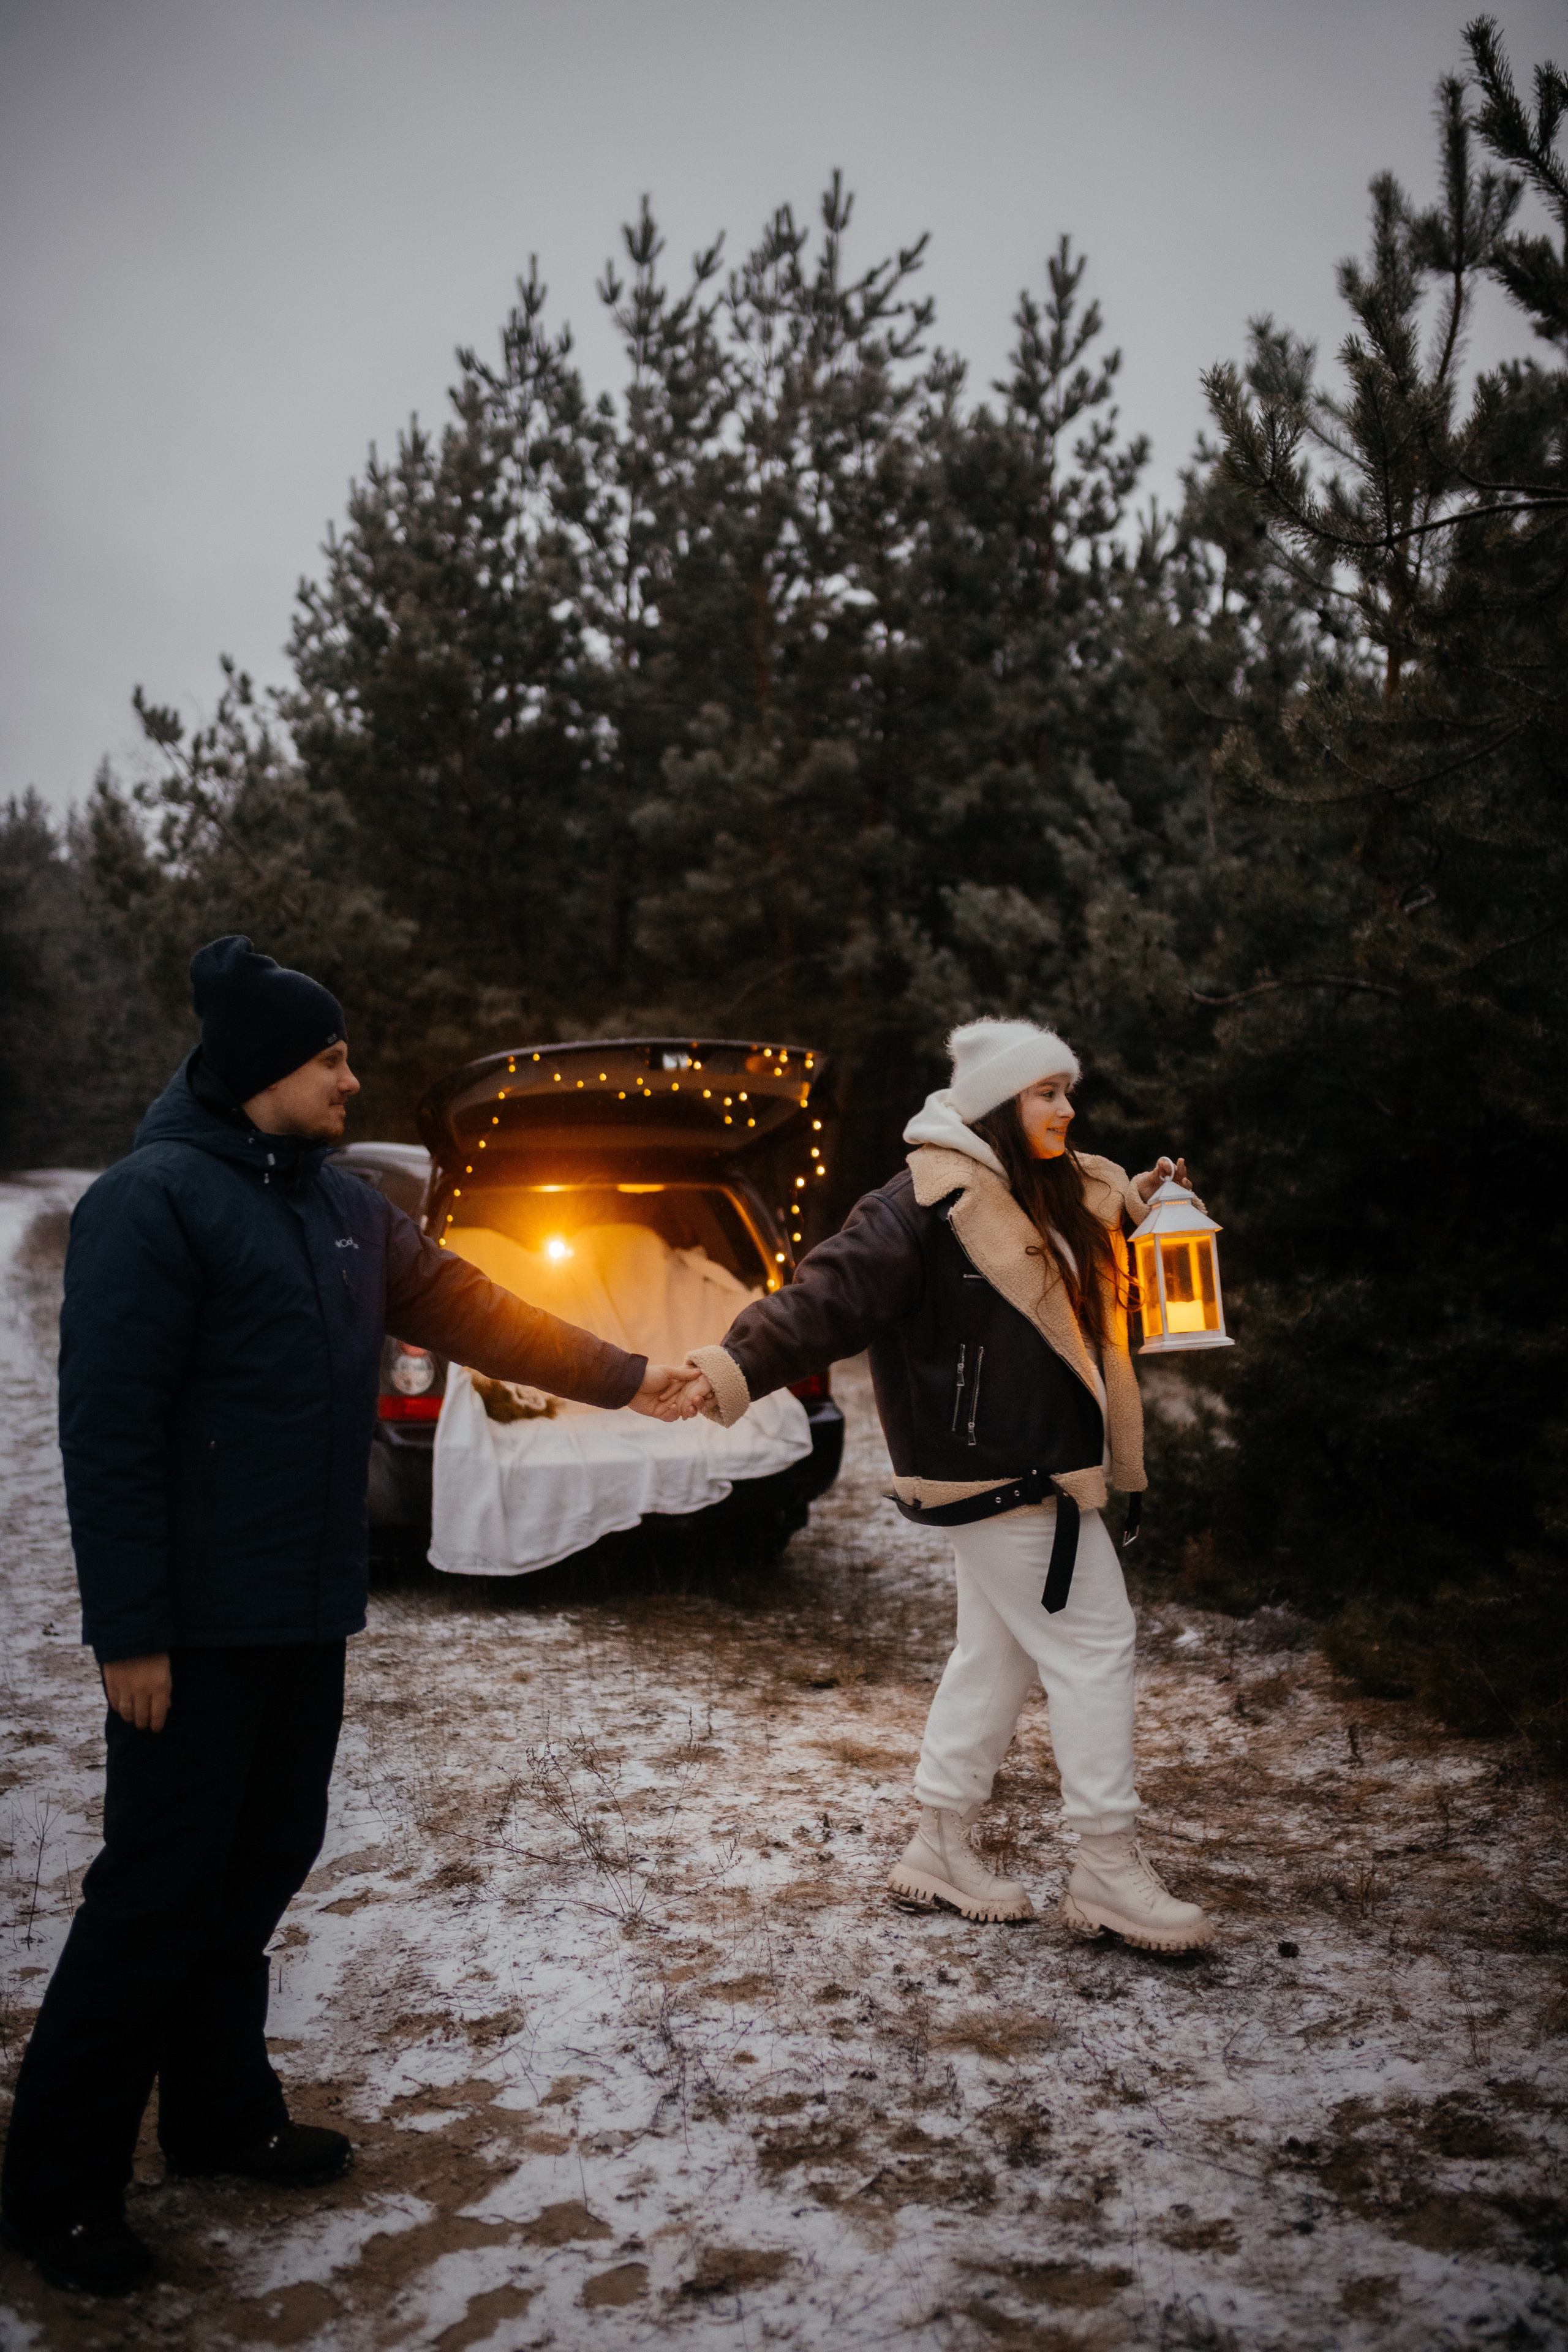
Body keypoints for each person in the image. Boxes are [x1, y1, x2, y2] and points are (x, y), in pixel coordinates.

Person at [0, 937, 697, 2298]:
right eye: (331, 1058)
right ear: (265, 1068)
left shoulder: (342, 1207)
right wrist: (127, 1628)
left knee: (259, 1866)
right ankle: (53, 2188)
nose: (352, 1077)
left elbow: (478, 1310)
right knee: (153, 1896)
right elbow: (109, 1431)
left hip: (303, 1604)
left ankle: (216, 2118)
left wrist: (628, 1378)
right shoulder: (152, 1203)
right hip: (191, 1628)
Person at [682, 1016, 1213, 1953]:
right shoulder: (919, 1206)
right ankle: (1107, 1868)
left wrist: (1148, 1204)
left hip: (1045, 1459)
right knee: (1096, 1644)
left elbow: (1092, 1232)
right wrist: (730, 1368)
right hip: (996, 1468)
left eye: (1066, 1090)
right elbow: (825, 1300)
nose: (1068, 1107)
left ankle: (939, 1842)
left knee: (998, 1655)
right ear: (1001, 1102)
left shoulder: (1058, 1185)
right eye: (1048, 1092)